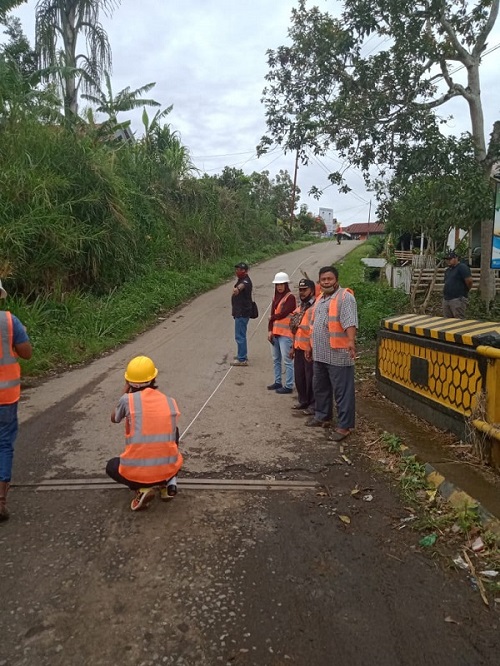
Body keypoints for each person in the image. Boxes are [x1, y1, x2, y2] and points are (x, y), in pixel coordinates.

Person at [106, 355, 183, 511]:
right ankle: (165, 485)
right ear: (154, 377)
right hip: (168, 470)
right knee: (173, 430)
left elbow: (114, 418)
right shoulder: (169, 401)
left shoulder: (127, 400)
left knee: (111, 466)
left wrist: (124, 391)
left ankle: (142, 489)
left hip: (138, 475)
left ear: (128, 381)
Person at [305, 266, 358, 441]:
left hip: (339, 354)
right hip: (320, 353)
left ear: (336, 280)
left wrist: (351, 340)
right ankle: (323, 416)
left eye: (329, 279)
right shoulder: (319, 299)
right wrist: (309, 346)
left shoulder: (345, 297)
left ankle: (344, 426)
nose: (326, 282)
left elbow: (350, 321)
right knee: (320, 387)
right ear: (319, 282)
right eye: (323, 279)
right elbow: (313, 325)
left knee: (343, 392)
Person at [0, 279, 32, 521]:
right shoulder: (9, 322)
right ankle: (0, 500)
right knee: (3, 445)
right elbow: (26, 353)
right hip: (5, 397)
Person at [289, 278, 316, 412]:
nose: (302, 292)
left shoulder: (315, 307)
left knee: (311, 378)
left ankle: (312, 405)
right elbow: (295, 328)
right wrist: (292, 347)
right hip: (299, 347)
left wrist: (311, 347)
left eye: (305, 290)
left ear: (312, 290)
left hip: (310, 349)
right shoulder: (301, 307)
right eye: (300, 290)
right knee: (299, 377)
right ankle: (303, 400)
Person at [267, 272, 296, 394]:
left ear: (286, 285)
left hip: (285, 334)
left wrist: (272, 317)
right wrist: (269, 330)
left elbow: (284, 313)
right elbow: (271, 316)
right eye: (277, 285)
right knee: (276, 359)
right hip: (275, 333)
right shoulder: (275, 298)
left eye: (281, 284)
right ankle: (277, 381)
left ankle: (289, 385)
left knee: (287, 361)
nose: (279, 287)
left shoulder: (290, 297)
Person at [231, 262, 253, 367]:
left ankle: (242, 359)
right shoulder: (241, 279)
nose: (238, 271)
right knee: (241, 334)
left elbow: (241, 286)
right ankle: (242, 354)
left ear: (245, 271)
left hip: (242, 313)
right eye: (237, 269)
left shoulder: (246, 281)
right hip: (240, 312)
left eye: (240, 269)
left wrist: (237, 289)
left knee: (240, 335)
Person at [443, 251, 473, 319]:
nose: (448, 261)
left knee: (459, 319)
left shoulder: (462, 267)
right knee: (447, 321)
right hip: (447, 299)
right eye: (447, 259)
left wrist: (466, 290)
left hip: (458, 298)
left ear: (456, 258)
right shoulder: (448, 270)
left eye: (450, 259)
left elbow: (469, 281)